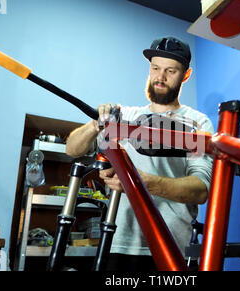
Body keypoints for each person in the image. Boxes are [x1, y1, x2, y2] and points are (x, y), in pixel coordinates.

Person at [66, 36, 214, 271]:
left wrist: (142, 183)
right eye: (155, 68)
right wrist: (96, 124)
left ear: (185, 75)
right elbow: (72, 149)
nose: (160, 77)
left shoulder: (197, 123)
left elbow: (200, 190)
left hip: (171, 246)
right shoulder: (124, 115)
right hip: (117, 243)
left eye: (170, 71)